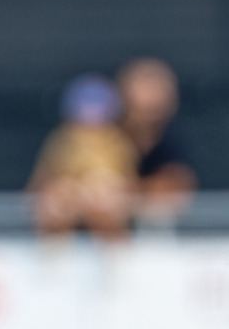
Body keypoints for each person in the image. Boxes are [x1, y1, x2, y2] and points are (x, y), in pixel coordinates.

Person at [27, 73, 138, 239]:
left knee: (108, 198)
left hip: (108, 212)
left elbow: (129, 183)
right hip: (65, 210)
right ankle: (53, 249)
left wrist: (104, 191)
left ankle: (115, 247)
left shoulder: (117, 141)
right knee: (56, 201)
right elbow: (41, 182)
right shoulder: (61, 139)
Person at [116, 58, 196, 225]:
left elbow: (176, 188)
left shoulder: (175, 143)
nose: (153, 100)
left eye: (160, 91)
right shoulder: (101, 139)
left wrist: (133, 192)